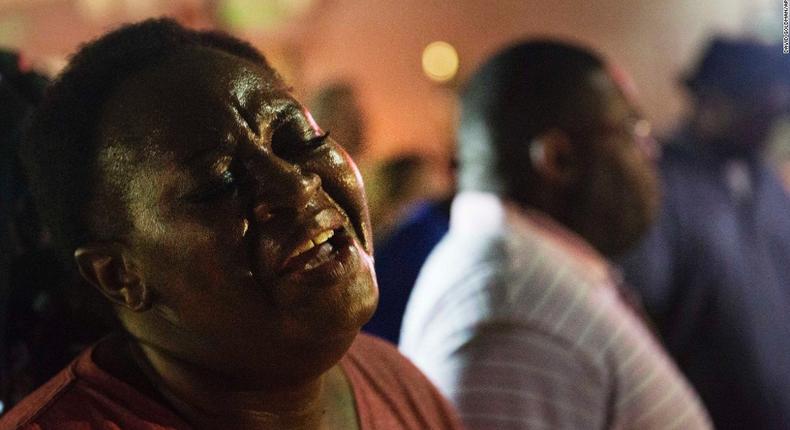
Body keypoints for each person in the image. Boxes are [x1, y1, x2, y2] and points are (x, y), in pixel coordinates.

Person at [0, 18, 463, 430]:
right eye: (218, 182)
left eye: (297, 137)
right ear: (119, 276)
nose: (296, 185)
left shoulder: (394, 381)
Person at [399, 40, 711, 429]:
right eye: (632, 129)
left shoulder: (525, 280)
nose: (651, 150)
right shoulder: (512, 308)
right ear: (559, 159)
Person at [619, 38, 790, 429]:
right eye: (757, 108)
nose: (770, 124)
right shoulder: (659, 184)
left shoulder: (764, 180)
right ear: (711, 100)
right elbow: (642, 315)